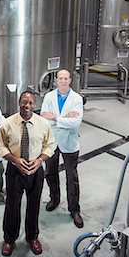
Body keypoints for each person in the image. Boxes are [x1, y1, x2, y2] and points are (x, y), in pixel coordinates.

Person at [0, 91, 55, 257]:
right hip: (15, 169)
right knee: (12, 205)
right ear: (19, 103)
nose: (26, 106)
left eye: (30, 103)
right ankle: (9, 239)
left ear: (35, 105)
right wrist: (14, 159)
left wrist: (40, 160)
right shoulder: (8, 124)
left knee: (34, 204)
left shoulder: (43, 124)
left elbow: (50, 145)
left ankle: (32, 237)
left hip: (36, 169)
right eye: (23, 102)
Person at [40, 69, 84, 228]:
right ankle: (54, 198)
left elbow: (76, 122)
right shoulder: (49, 97)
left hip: (69, 143)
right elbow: (44, 118)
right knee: (50, 172)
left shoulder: (77, 99)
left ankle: (74, 209)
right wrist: (65, 119)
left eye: (66, 78)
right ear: (56, 80)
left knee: (71, 177)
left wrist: (55, 118)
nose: (63, 81)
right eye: (61, 78)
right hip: (51, 141)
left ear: (70, 80)